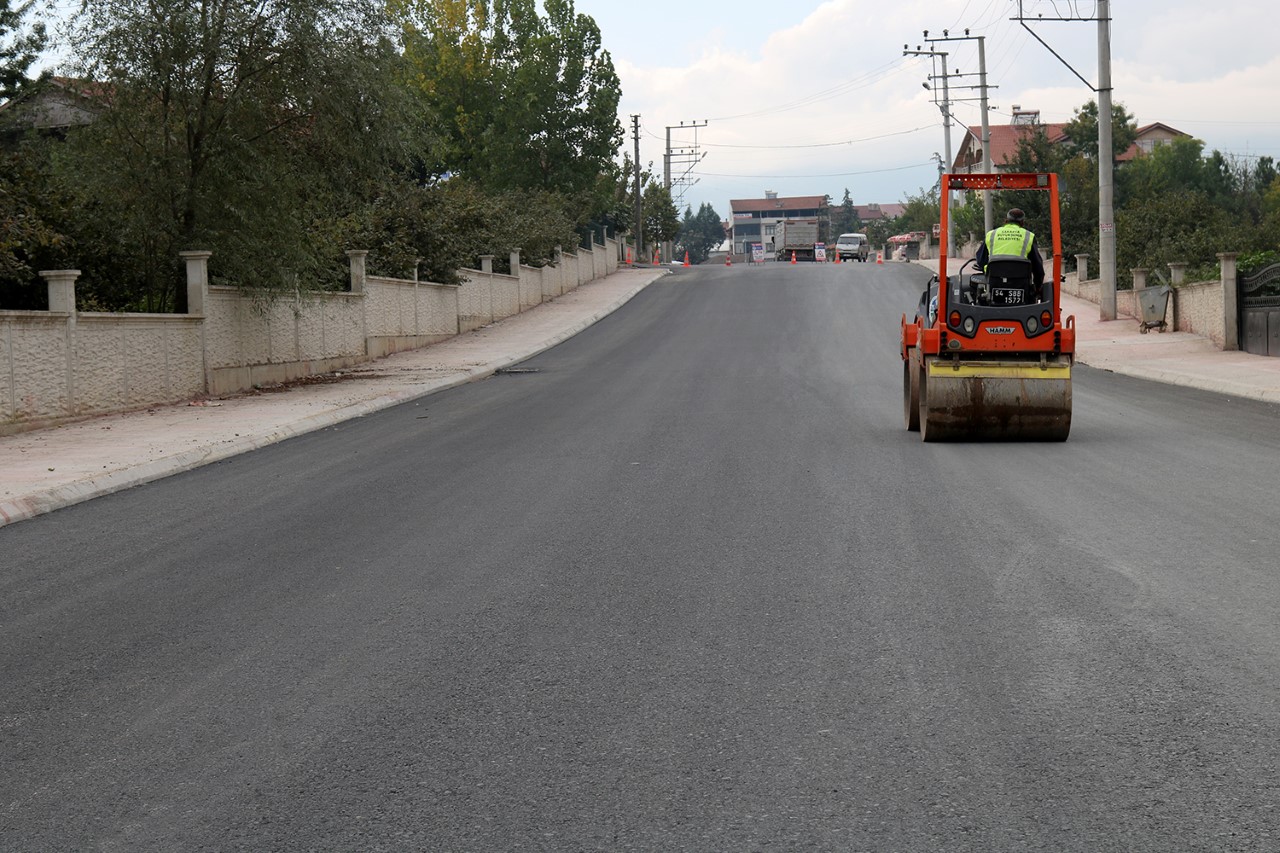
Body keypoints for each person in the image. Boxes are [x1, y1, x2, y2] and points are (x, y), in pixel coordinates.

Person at [975, 207, 1045, 291]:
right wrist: (1038, 287)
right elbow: (1037, 266)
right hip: (1021, 284)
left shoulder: (992, 234)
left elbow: (981, 260)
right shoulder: (1028, 236)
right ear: (1022, 223)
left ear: (1006, 220)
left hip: (994, 282)